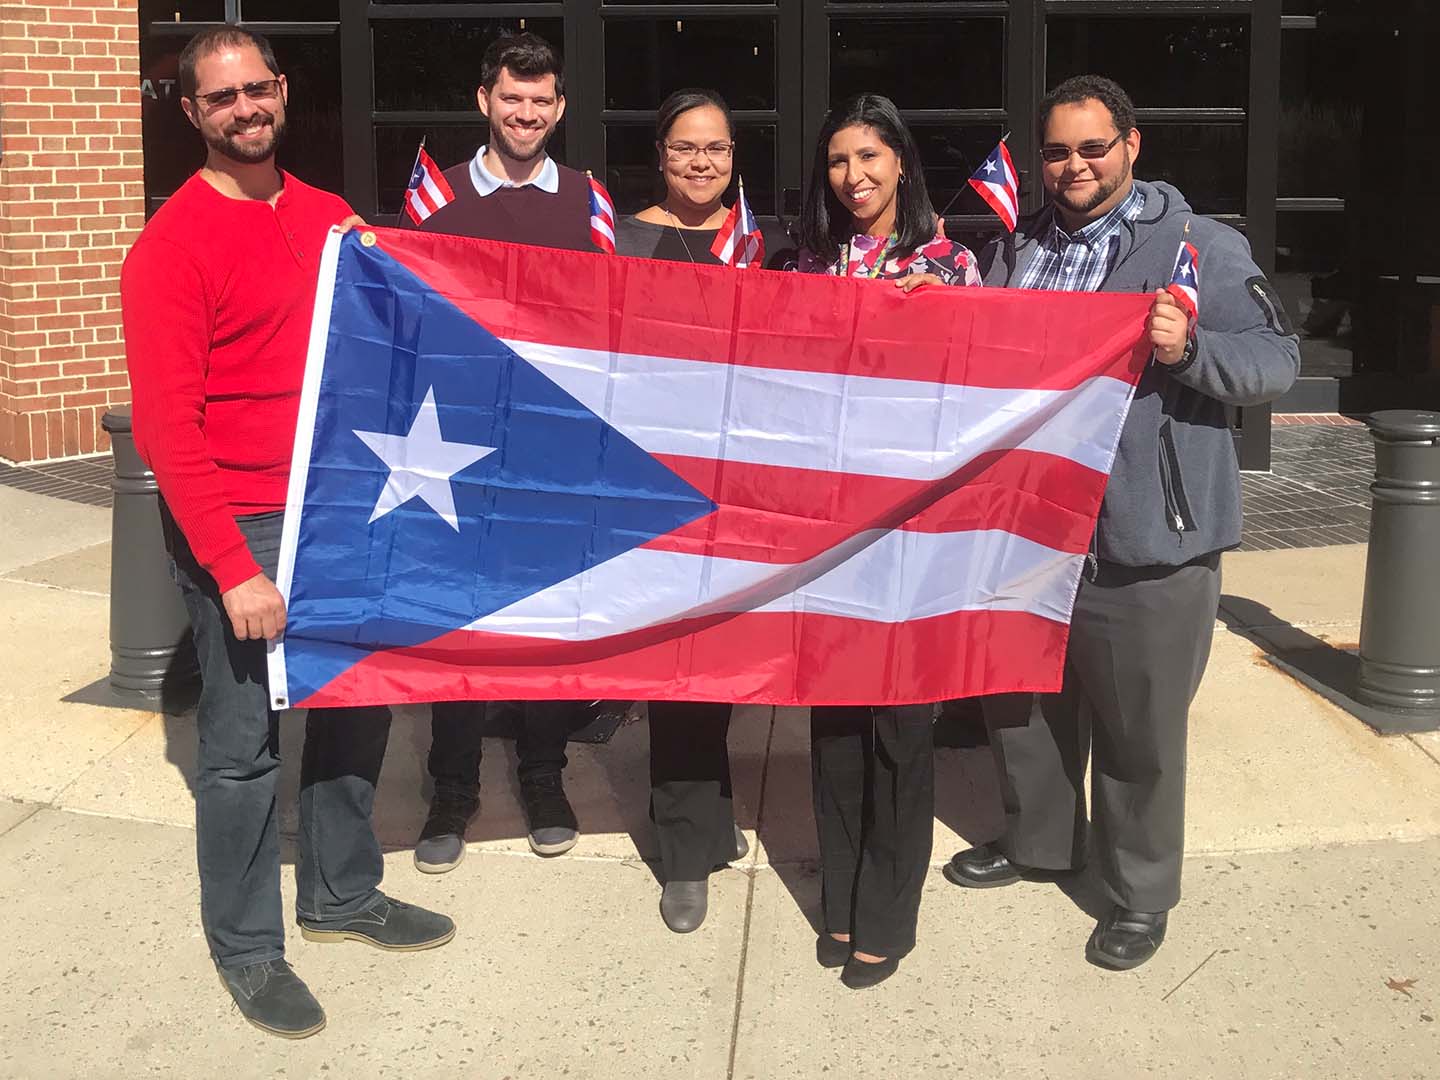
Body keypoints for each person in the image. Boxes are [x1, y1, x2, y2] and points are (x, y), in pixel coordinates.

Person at [120, 27, 454, 1040]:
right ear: (192, 113)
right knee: (239, 750)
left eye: (254, 90)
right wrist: (229, 568)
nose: (242, 110)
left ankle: (342, 894)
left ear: (282, 91)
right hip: (245, 524)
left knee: (357, 707)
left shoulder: (330, 222)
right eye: (218, 98)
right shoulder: (169, 246)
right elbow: (168, 432)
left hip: (345, 508)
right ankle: (248, 946)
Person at [943, 75, 1300, 970]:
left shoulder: (1200, 245)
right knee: (1025, 711)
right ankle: (1040, 845)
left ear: (1131, 146)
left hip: (1146, 540)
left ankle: (1138, 892)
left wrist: (1192, 351)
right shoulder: (1013, 250)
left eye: (1093, 147)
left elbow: (1277, 362)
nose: (1075, 165)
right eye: (1058, 150)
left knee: (1142, 733)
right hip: (1027, 536)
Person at [790, 93, 980, 990]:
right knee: (831, 728)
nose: (853, 177)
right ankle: (840, 903)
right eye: (837, 162)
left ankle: (887, 919)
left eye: (869, 157)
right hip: (829, 539)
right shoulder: (802, 266)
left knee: (901, 730)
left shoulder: (952, 266)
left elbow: (986, 387)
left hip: (913, 536)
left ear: (900, 160)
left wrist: (950, 317)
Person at [399, 31, 596, 872]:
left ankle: (545, 774)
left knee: (546, 622)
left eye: (540, 100)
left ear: (558, 108)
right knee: (460, 625)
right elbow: (401, 319)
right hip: (453, 448)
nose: (525, 113)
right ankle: (452, 788)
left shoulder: (588, 198)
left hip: (551, 449)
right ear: (485, 101)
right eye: (510, 98)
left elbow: (606, 322)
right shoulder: (434, 198)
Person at [612, 88, 785, 933]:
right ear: (661, 153)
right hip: (660, 489)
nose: (701, 162)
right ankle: (682, 856)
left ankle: (710, 823)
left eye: (715, 148)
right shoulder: (623, 239)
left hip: (747, 486)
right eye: (685, 147)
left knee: (722, 665)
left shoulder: (763, 245)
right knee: (678, 673)